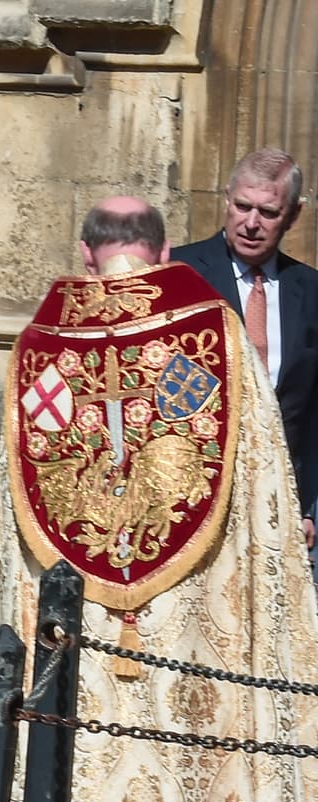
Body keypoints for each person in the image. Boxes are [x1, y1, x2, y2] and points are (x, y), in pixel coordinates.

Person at [0, 197, 318, 802]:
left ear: (86, 250)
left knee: (80, 764)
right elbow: (261, 486)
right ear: (165, 248)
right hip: (186, 615)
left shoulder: (40, 348)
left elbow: (16, 507)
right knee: (173, 772)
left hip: (78, 618)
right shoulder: (212, 335)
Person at [170, 148, 318, 528]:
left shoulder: (311, 290)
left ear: (294, 215)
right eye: (242, 206)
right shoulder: (177, 275)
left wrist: (306, 507)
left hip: (283, 506)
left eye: (268, 212)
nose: (251, 223)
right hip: (194, 499)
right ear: (226, 199)